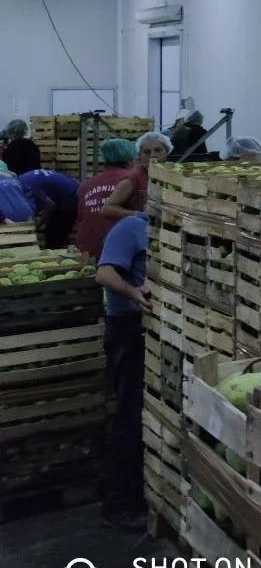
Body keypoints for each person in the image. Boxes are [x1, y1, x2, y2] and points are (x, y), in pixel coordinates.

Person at [95, 210, 150, 530]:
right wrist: (133, 291)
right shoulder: (131, 227)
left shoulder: (166, 231)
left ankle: (127, 492)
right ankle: (116, 505)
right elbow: (103, 274)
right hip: (126, 330)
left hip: (146, 330)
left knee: (138, 413)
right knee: (130, 414)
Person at [75, 139, 141, 262]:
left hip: (88, 254)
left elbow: (80, 220)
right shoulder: (133, 180)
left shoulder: (86, 186)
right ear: (131, 157)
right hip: (121, 256)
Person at [100, 131, 170, 223]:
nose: (153, 156)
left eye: (158, 150)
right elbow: (107, 208)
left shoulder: (171, 176)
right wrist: (134, 214)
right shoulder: (133, 178)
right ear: (139, 155)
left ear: (167, 152)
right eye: (146, 152)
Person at [18, 167, 79, 248]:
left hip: (71, 197)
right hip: (66, 192)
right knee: (52, 233)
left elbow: (50, 205)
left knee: (54, 235)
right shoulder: (22, 179)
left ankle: (59, 254)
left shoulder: (29, 186)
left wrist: (40, 223)